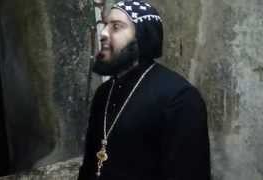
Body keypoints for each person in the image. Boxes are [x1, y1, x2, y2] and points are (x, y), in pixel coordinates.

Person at [78, 0, 211, 179]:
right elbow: (89, 166)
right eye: (105, 25)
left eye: (116, 27)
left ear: (142, 36)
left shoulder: (180, 98)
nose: (103, 33)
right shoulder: (103, 93)